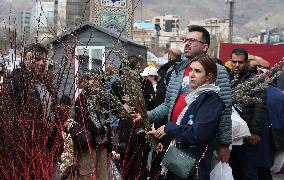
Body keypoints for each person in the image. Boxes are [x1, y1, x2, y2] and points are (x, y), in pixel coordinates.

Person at [144, 25, 232, 164]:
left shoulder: (218, 71)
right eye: (186, 40)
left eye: (192, 40)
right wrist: (145, 115)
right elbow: (167, 105)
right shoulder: (177, 70)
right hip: (174, 136)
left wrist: (224, 143)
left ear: (204, 47)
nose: (187, 43)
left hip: (197, 142)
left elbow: (226, 109)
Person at [147, 54, 224, 179]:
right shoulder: (197, 96)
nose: (191, 75)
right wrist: (164, 135)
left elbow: (197, 135)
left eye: (198, 71)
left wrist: (169, 128)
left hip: (193, 168)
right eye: (191, 70)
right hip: (181, 164)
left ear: (209, 76)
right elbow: (185, 128)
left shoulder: (211, 100)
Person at [228, 48, 266, 180]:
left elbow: (260, 106)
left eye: (240, 62)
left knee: (248, 171)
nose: (237, 65)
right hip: (231, 135)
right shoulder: (228, 78)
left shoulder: (255, 79)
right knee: (232, 171)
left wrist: (255, 131)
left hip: (248, 134)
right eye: (234, 62)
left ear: (246, 63)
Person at [70, 70, 109, 179]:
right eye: (92, 79)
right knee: (86, 174)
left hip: (102, 142)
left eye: (98, 80)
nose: (95, 82)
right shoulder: (82, 98)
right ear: (87, 81)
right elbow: (82, 120)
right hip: (88, 142)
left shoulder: (101, 98)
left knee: (102, 174)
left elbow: (106, 117)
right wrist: (101, 129)